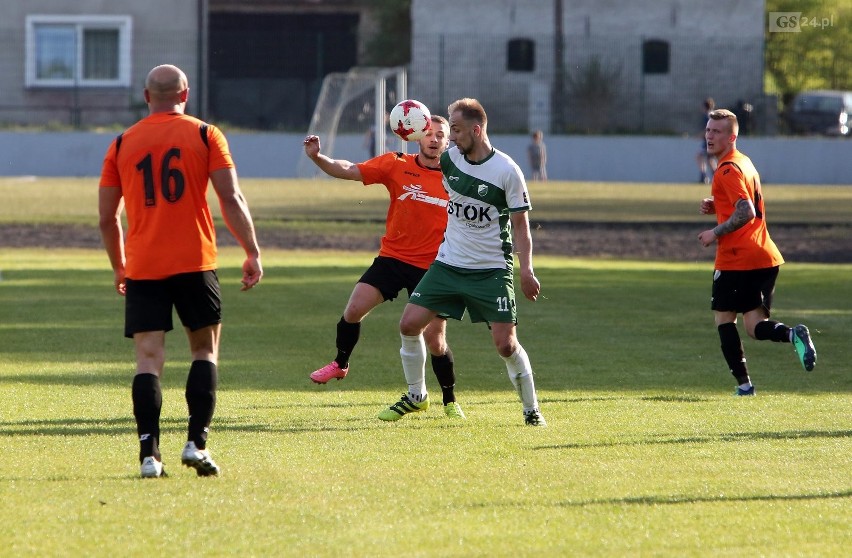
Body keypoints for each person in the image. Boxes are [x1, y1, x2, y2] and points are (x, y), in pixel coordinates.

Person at [98, 64, 263, 478]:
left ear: (146, 95)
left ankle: (149, 457)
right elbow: (231, 197)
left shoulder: (121, 143)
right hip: (195, 261)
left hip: (144, 265)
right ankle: (196, 442)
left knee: (148, 361)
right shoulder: (206, 134)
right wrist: (251, 251)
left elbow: (106, 217)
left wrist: (120, 265)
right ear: (185, 93)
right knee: (204, 352)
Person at [378, 98, 546, 426]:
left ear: (476, 129)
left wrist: (526, 269)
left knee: (505, 345)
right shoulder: (450, 159)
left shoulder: (507, 171)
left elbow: (521, 227)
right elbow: (419, 161)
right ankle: (416, 395)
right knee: (408, 324)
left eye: (455, 130)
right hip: (448, 264)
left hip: (491, 271)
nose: (450, 137)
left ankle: (531, 409)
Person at [303, 115, 466, 419]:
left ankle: (449, 400)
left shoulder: (456, 176)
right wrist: (318, 157)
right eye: (428, 133)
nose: (433, 139)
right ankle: (340, 364)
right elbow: (350, 170)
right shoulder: (396, 163)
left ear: (448, 142)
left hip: (433, 268)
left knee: (435, 338)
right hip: (392, 258)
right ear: (416, 135)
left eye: (440, 135)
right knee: (353, 310)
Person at [697, 108, 816, 396]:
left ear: (732, 136)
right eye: (709, 130)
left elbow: (746, 210)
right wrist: (719, 205)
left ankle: (745, 386)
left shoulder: (726, 169)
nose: (710, 136)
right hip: (765, 256)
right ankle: (792, 334)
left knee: (724, 319)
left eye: (717, 131)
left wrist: (715, 231)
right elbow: (745, 201)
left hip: (738, 257)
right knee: (754, 326)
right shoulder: (743, 162)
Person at [696, 97, 717, 184]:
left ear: (705, 107)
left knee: (700, 157)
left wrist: (699, 136)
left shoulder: (707, 116)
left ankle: (704, 177)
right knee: (709, 159)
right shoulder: (713, 115)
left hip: (709, 142)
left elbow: (707, 130)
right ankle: (716, 177)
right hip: (712, 141)